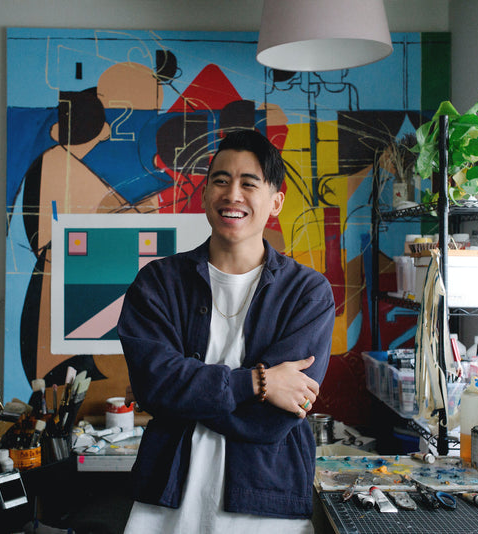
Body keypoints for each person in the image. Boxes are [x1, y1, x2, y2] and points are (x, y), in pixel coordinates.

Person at [116, 129, 336, 533]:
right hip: (166, 506)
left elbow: (276, 421)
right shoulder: (158, 283)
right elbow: (154, 387)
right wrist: (259, 382)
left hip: (265, 507)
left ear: (275, 202)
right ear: (204, 196)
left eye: (248, 183)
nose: (232, 194)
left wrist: (187, 396)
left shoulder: (308, 294)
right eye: (220, 180)